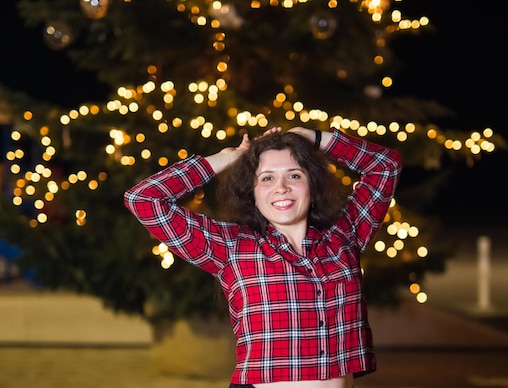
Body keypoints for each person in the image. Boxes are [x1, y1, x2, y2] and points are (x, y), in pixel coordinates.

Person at [124, 126, 402, 388]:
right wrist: (224, 159)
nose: (281, 187)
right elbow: (144, 200)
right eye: (267, 178)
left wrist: (315, 138)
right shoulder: (231, 246)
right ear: (253, 194)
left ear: (312, 186)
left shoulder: (345, 235)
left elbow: (385, 166)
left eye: (294, 175)